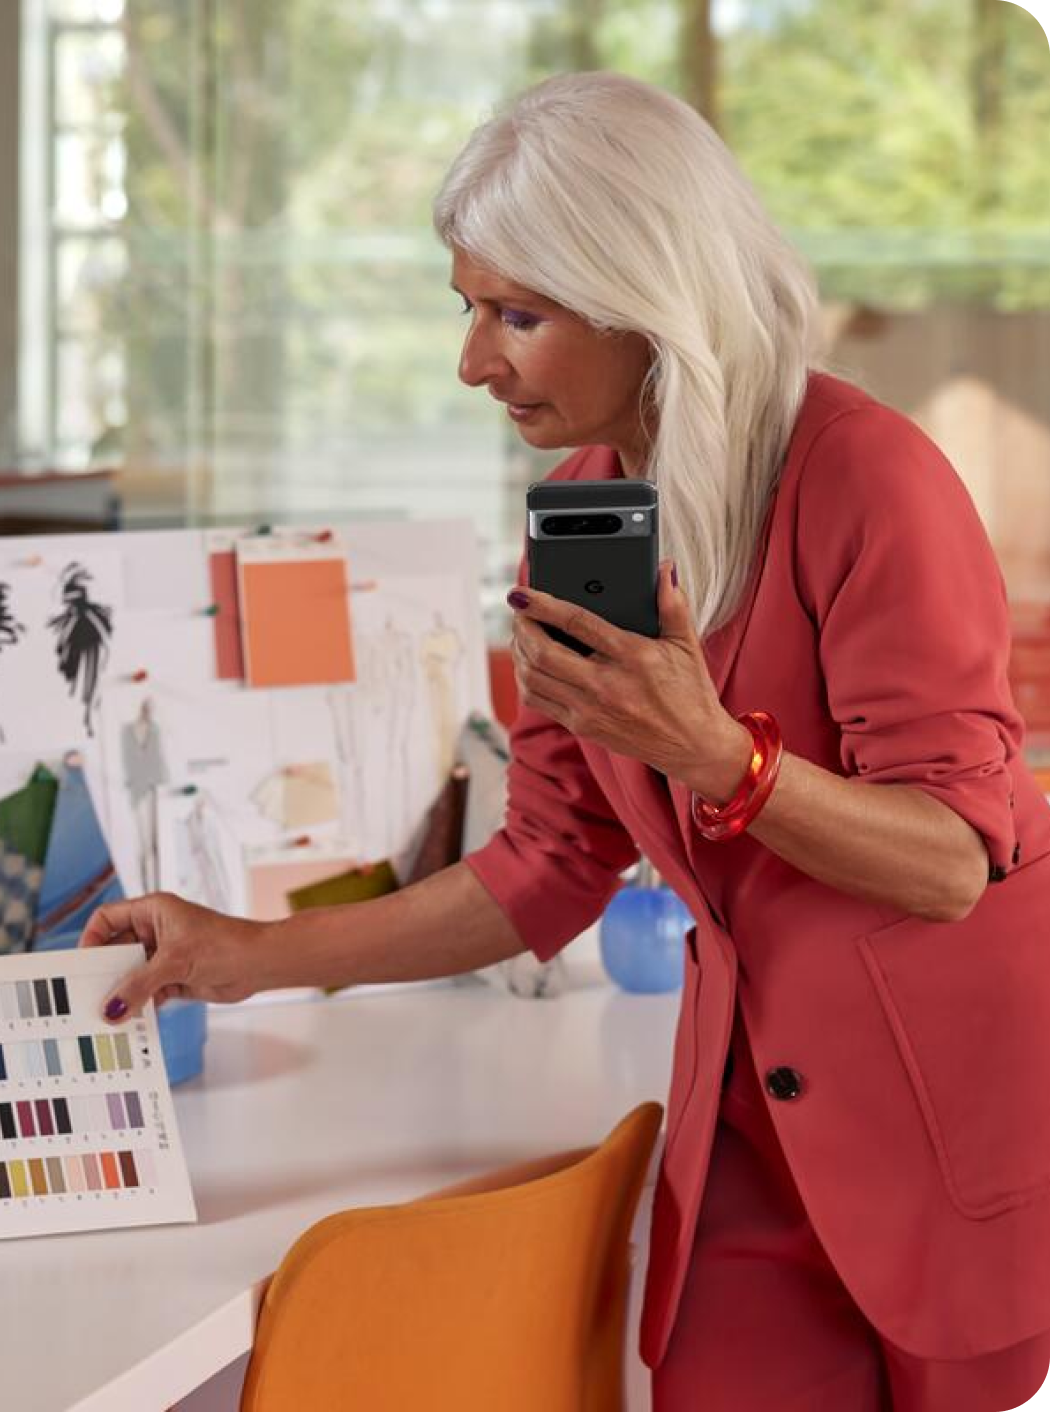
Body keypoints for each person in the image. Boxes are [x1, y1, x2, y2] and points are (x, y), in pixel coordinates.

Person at [79, 71, 1050, 1410]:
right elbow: (547, 864)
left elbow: (952, 860)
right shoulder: (584, 514)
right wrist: (242, 957)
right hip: (746, 1142)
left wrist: (724, 761)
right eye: (468, 310)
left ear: (644, 295)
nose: (474, 362)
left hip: (958, 1145)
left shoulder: (868, 478)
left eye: (516, 314)